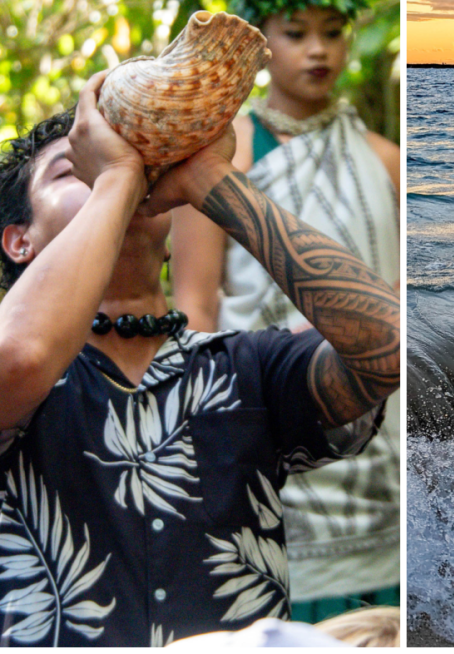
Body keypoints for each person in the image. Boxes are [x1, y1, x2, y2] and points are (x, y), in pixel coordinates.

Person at [0, 72, 399, 646]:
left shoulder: (248, 366)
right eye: (73, 172)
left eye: (142, 170)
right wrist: (116, 178)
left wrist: (211, 178)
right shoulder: (24, 370)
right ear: (19, 241)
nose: (126, 176)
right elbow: (20, 361)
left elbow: (386, 343)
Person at [170, 0, 402, 622]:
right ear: (259, 42)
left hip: (370, 427)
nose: (317, 50)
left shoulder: (384, 159)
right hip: (262, 413)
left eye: (332, 31)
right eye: (295, 32)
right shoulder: (218, 154)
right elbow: (195, 304)